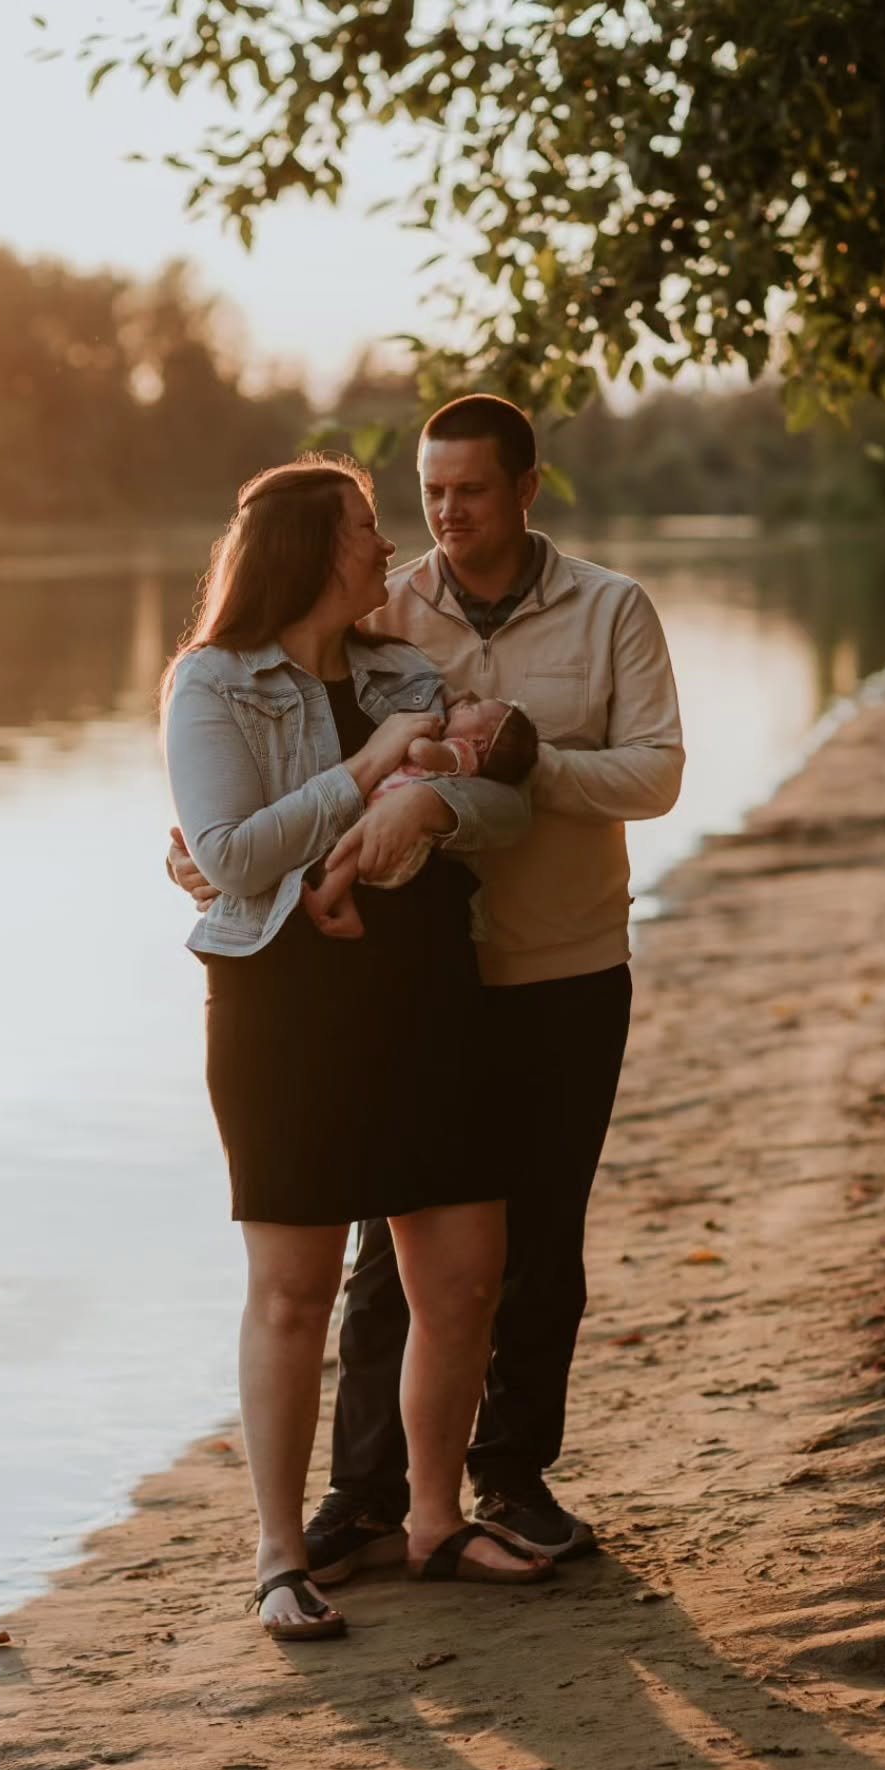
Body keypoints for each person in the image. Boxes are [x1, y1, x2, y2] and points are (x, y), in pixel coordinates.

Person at [170, 397, 684, 1580]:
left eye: (471, 492)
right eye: (425, 494)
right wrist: (209, 847)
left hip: (555, 960)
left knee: (530, 1242)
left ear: (527, 490)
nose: (440, 517)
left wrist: (459, 781)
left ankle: (507, 1480)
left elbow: (649, 777)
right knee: (378, 1262)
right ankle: (367, 1493)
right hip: (401, 983)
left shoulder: (606, 609)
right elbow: (251, 805)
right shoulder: (383, 616)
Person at [163, 453, 553, 1641]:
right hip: (284, 1009)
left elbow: (508, 805)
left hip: (427, 992)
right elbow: (230, 855)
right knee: (293, 1293)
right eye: (365, 527)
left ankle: (433, 1520)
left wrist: (424, 797)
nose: (389, 545)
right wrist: (371, 769)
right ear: (309, 552)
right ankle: (281, 1556)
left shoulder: (403, 671)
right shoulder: (211, 684)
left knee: (465, 1277)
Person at [303, 699, 539, 938]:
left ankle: (323, 899)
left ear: (478, 743)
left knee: (347, 853)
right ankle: (347, 913)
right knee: (345, 857)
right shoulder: (462, 759)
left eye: (472, 708)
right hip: (391, 822)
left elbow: (419, 752)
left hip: (395, 832)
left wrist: (419, 734)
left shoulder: (461, 752)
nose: (465, 704)